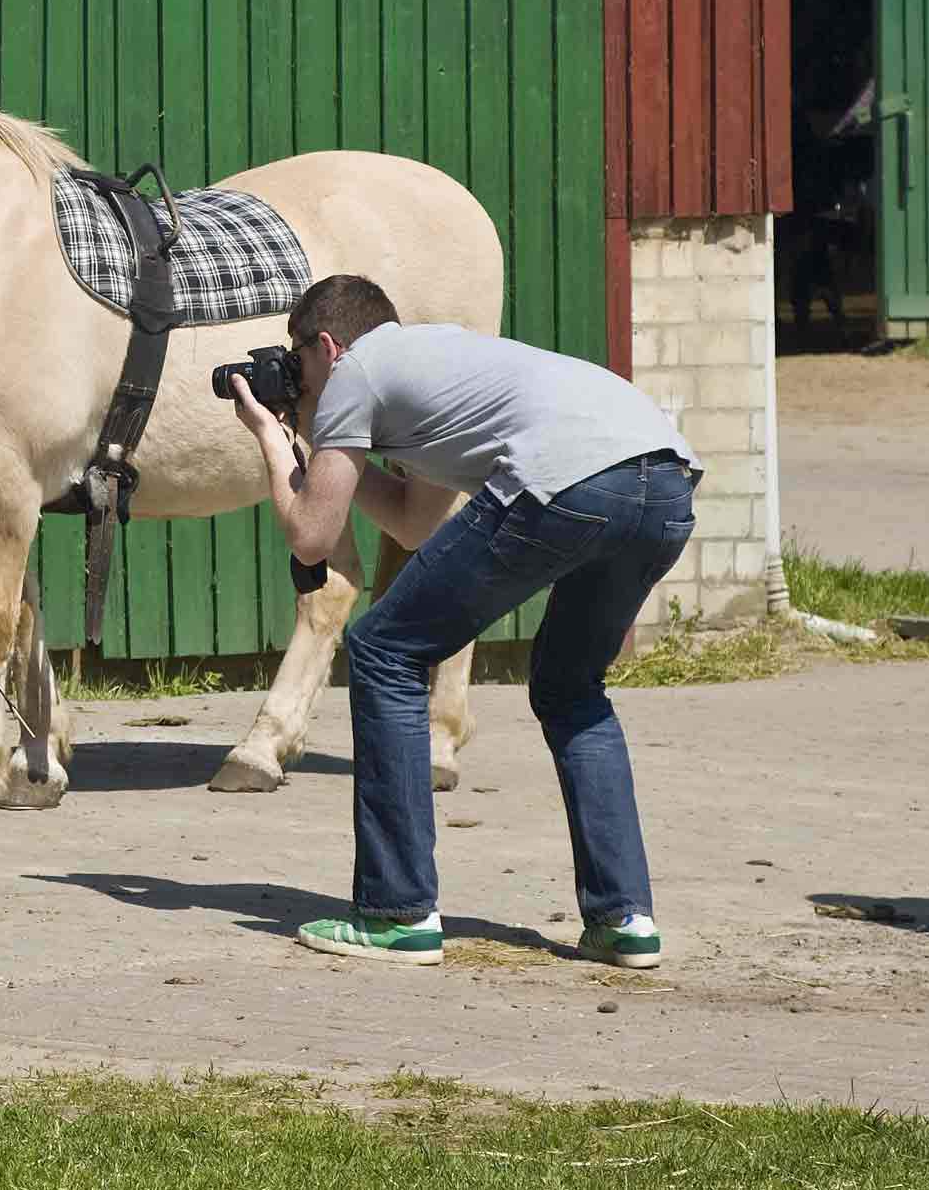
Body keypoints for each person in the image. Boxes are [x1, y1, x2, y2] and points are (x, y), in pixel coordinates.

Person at [230, 273, 699, 970]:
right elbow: (417, 522)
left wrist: (273, 437)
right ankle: (624, 918)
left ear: (328, 345)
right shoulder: (439, 363)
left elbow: (311, 538)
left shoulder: (354, 371)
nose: (299, 378)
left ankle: (397, 911)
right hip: (664, 483)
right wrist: (333, 457)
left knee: (383, 649)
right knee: (571, 689)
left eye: (298, 362)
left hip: (567, 476)